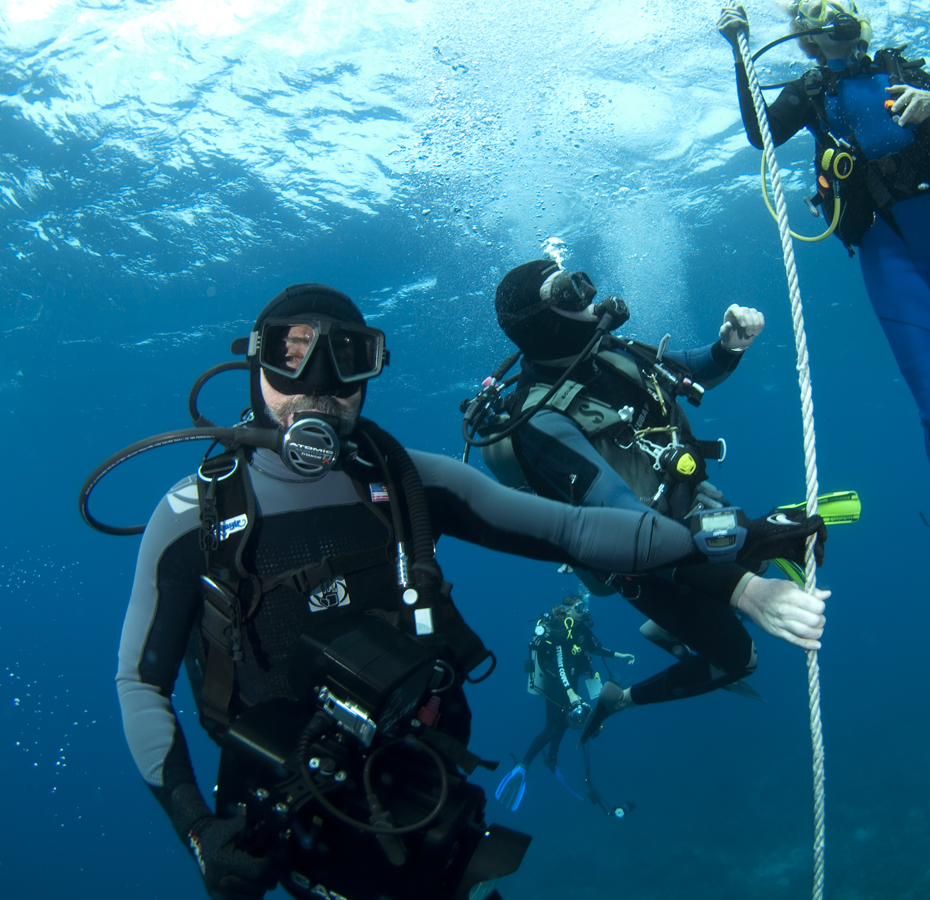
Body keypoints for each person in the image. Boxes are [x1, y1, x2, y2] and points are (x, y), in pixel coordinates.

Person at [112, 283, 829, 900]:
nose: (318, 388)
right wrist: (196, 828)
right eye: (291, 354)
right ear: (254, 363)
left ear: (372, 369)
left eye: (347, 359)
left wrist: (733, 541)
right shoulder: (192, 516)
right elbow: (140, 683)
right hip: (280, 826)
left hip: (428, 797)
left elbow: (577, 531)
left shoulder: (405, 481)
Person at [717, 1, 930, 666]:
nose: (832, 13)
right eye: (814, 10)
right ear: (808, 37)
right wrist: (739, 49)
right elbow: (761, 135)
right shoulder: (811, 93)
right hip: (887, 252)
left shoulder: (905, 70)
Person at [475, 258, 830, 744]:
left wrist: (726, 349)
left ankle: (672, 626)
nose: (589, 297)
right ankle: (621, 700)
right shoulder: (540, 422)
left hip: (692, 511)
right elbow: (627, 519)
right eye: (570, 294)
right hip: (644, 561)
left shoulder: (607, 351)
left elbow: (680, 369)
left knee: (758, 563)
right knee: (740, 659)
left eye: (583, 284)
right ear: (546, 320)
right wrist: (744, 589)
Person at [494, 595, 635, 814]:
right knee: (552, 728)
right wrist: (570, 694)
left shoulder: (580, 628)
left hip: (572, 683)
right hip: (556, 686)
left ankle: (552, 758)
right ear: (568, 610)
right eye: (579, 606)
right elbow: (559, 665)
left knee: (564, 723)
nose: (583, 609)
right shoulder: (560, 631)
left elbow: (596, 648)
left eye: (583, 605)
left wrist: (620, 655)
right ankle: (524, 764)